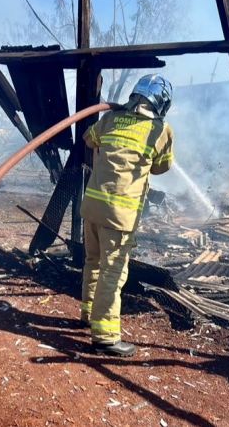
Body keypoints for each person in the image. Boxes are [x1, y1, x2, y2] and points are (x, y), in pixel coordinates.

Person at [80, 74, 174, 357]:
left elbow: (88, 138)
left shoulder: (110, 120)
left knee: (93, 262)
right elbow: (162, 167)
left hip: (92, 207)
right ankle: (106, 336)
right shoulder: (160, 130)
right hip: (120, 216)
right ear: (162, 103)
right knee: (113, 272)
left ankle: (88, 315)